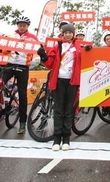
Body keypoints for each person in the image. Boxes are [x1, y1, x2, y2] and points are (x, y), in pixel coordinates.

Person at [37, 23, 83, 151]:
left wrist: (89, 51)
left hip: (72, 81)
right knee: (58, 109)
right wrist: (43, 56)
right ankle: (57, 139)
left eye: (70, 32)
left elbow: (85, 60)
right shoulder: (57, 46)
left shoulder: (79, 47)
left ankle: (66, 138)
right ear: (62, 34)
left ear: (73, 34)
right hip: (58, 81)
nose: (68, 35)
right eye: (65, 32)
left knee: (69, 109)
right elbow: (50, 63)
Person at [3, 16, 38, 134]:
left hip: (23, 67)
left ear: (27, 26)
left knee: (23, 94)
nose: (22, 27)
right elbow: (4, 51)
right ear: (17, 25)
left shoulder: (32, 37)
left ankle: (22, 122)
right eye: (20, 25)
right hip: (10, 64)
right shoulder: (11, 36)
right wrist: (7, 48)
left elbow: (37, 51)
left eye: (24, 25)